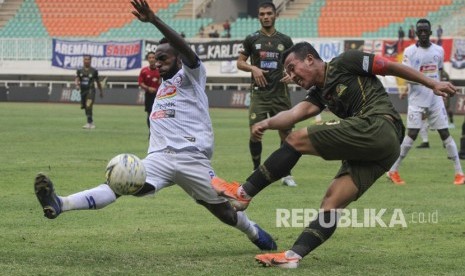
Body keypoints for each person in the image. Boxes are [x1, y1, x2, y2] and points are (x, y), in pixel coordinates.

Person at [34, 0, 277, 253]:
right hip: (158, 159)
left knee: (223, 212)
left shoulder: (191, 77)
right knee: (118, 183)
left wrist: (154, 20)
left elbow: (187, 50)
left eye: (164, 58)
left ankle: (252, 231)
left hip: (191, 158)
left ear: (178, 59)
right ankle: (61, 203)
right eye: (155, 59)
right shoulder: (162, 87)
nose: (157, 63)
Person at [210, 41, 457, 268]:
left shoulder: (346, 61)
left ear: (310, 59)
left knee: (296, 139)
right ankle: (292, 257)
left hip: (379, 124)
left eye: (293, 68)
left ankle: (243, 193)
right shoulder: (319, 94)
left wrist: (432, 83)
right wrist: (267, 123)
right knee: (332, 202)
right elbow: (296, 113)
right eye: (289, 72)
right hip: (383, 149)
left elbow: (390, 66)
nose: (293, 76)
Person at [387, 18, 464, 185]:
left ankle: (459, 173)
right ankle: (393, 170)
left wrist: (445, 87)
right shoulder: (409, 52)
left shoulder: (439, 50)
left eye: (425, 31)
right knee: (412, 136)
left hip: (435, 100)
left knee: (445, 134)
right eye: (419, 31)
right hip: (416, 100)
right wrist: (429, 83)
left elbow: (440, 72)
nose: (422, 33)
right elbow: (407, 75)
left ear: (430, 32)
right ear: (416, 33)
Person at [236, 1, 297, 186]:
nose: (265, 17)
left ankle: (286, 173)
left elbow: (295, 63)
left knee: (286, 135)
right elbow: (240, 62)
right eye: (262, 14)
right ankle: (256, 169)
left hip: (280, 94)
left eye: (269, 13)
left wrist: (292, 74)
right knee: (256, 133)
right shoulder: (251, 39)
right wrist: (252, 67)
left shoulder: (285, 40)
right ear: (258, 17)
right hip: (259, 95)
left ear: (275, 15)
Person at [75, 54, 103, 129]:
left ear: (90, 61)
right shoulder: (79, 71)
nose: (87, 61)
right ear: (83, 60)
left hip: (91, 91)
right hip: (83, 91)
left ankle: (89, 123)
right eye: (85, 59)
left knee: (88, 105)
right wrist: (77, 85)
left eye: (88, 59)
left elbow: (98, 82)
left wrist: (101, 91)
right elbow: (77, 78)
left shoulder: (94, 71)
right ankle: (90, 121)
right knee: (85, 107)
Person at [138, 51, 161, 131]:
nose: (151, 59)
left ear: (156, 59)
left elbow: (163, 82)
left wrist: (157, 89)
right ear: (147, 59)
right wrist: (148, 88)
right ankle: (151, 132)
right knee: (150, 114)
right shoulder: (144, 71)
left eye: (153, 57)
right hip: (149, 95)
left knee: (160, 114)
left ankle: (159, 131)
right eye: (150, 58)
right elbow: (140, 82)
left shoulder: (160, 70)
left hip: (159, 96)